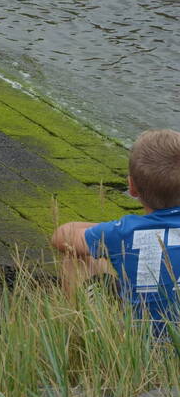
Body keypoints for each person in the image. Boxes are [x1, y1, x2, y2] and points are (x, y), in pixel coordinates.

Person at [52, 128, 180, 328]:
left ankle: (85, 328)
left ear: (132, 187)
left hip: (137, 342)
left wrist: (124, 228)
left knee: (76, 256)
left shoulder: (124, 231)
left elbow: (62, 236)